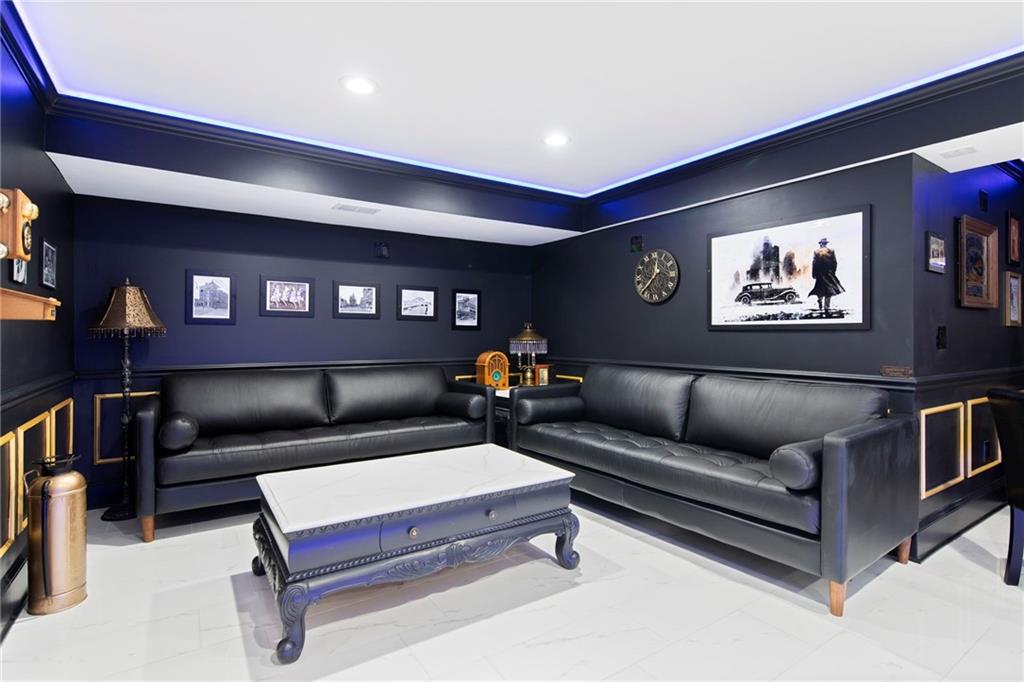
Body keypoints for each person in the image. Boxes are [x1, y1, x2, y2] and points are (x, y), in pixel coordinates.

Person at [808, 238, 845, 311]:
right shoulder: (830, 251)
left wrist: (814, 273)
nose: (823, 245)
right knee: (825, 289)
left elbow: (814, 263)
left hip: (822, 273)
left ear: (821, 244)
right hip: (826, 274)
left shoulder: (817, 251)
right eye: (823, 243)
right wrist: (832, 272)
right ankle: (824, 305)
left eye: (823, 243)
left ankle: (824, 305)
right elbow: (834, 262)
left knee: (824, 289)